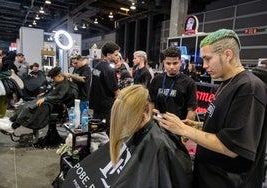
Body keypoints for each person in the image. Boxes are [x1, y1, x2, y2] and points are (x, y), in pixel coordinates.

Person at [153, 29, 267, 188]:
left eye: (207, 59)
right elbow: (227, 126)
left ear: (228, 54)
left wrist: (184, 130)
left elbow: (232, 146)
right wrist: (199, 125)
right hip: (209, 177)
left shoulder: (248, 88)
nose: (204, 65)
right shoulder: (227, 83)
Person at [62, 85, 193, 187]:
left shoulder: (159, 144)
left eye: (125, 121)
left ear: (141, 116)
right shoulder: (139, 135)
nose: (122, 127)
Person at [0, 67, 74, 137]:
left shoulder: (65, 85)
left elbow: (59, 97)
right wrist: (44, 94)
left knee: (28, 108)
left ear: (59, 76)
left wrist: (46, 98)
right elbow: (52, 91)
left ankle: (13, 127)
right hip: (48, 100)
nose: (53, 80)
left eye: (54, 78)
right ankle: (10, 120)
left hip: (53, 104)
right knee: (26, 104)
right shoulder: (58, 82)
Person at [149, 47, 197, 121]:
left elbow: (191, 110)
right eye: (168, 63)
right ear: (164, 62)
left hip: (176, 127)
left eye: (175, 63)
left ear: (181, 62)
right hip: (157, 125)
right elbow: (151, 103)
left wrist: (184, 129)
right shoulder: (156, 80)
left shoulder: (189, 83)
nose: (171, 67)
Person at [89, 42, 120, 134]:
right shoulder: (109, 69)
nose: (117, 57)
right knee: (106, 132)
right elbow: (115, 90)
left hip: (97, 105)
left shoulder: (97, 66)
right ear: (109, 55)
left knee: (97, 130)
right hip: (106, 106)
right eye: (116, 55)